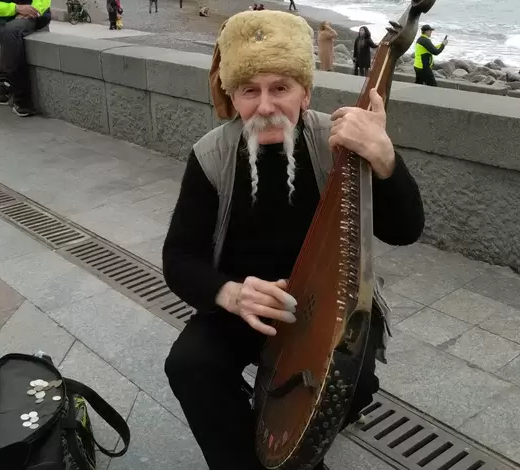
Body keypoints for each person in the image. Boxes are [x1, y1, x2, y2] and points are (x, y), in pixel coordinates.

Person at [163, 10, 425, 470]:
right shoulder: (212, 155)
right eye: (250, 90)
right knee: (188, 366)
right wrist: (230, 293)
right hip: (250, 307)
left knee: (355, 386)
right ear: (233, 96)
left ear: (306, 92)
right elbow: (179, 258)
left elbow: (405, 231)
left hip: (329, 303)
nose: (265, 106)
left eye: (280, 88)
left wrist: (385, 158)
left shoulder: (339, 142)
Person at [0, 0, 51, 117]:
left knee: (12, 32)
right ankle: (21, 102)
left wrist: (31, 10)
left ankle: (5, 82)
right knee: (12, 38)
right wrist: (16, 8)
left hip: (30, 13)